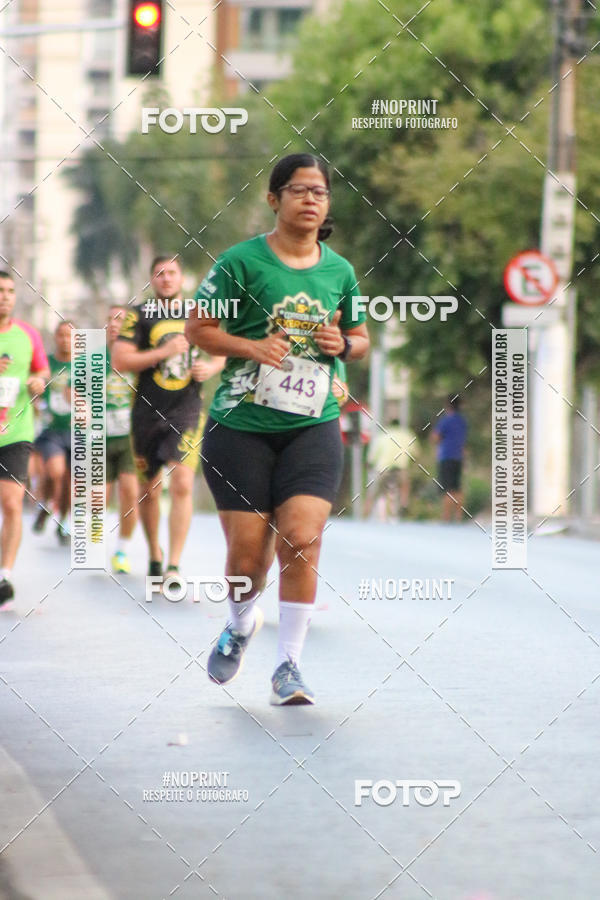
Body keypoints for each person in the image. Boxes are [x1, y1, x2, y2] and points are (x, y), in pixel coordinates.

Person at [185, 152, 369, 706]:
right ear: (274, 199)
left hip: (313, 425)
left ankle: (289, 666)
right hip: (241, 425)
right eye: (299, 190)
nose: (311, 199)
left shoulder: (339, 271)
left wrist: (346, 346)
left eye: (320, 192)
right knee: (247, 559)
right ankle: (241, 623)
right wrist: (252, 348)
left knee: (303, 538)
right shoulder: (241, 263)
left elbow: (360, 338)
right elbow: (198, 328)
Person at [111, 256, 225, 585]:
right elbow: (120, 359)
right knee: (149, 489)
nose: (166, 279)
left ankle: (174, 564)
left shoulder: (198, 311)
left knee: (182, 482)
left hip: (186, 409)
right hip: (146, 411)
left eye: (172, 273)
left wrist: (211, 367)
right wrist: (163, 352)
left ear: (182, 277)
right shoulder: (138, 315)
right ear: (151, 279)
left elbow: (221, 349)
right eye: (159, 274)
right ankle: (155, 555)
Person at [0, 271, 49, 605]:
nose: (5, 296)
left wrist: (38, 382)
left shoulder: (27, 334)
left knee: (12, 503)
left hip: (15, 431)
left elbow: (42, 370)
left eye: (9, 291)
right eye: (0, 291)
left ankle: (4, 575)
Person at [32, 320, 73, 545]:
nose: (66, 340)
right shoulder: (47, 364)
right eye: (61, 335)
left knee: (68, 481)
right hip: (51, 429)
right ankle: (46, 504)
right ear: (56, 337)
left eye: (70, 336)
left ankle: (63, 523)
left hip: (75, 430)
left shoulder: (84, 365)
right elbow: (35, 386)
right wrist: (37, 403)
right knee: (55, 472)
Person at [105, 305, 138, 573]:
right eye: (110, 319)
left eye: (120, 319)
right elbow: (73, 389)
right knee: (99, 499)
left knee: (130, 491)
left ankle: (122, 551)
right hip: (99, 438)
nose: (115, 324)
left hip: (130, 438)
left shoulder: (136, 355)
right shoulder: (93, 356)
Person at [367, 419, 417, 521]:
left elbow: (372, 457)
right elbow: (415, 454)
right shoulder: (407, 435)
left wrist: (370, 465)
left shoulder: (382, 436)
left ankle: (365, 515)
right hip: (401, 468)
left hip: (384, 469)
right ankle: (404, 503)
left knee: (376, 493)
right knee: (404, 485)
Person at [432, 395, 468, 522]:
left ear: (447, 406)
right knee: (457, 488)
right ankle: (458, 517)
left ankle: (446, 518)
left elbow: (435, 437)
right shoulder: (462, 421)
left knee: (447, 488)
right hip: (458, 457)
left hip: (446, 457)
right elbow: (463, 441)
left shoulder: (446, 420)